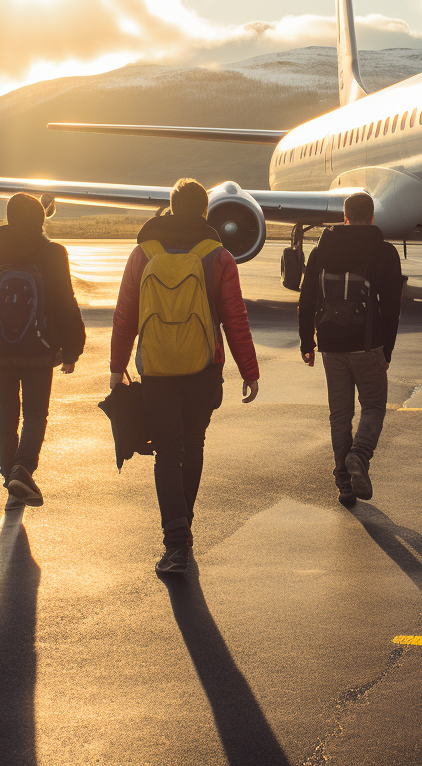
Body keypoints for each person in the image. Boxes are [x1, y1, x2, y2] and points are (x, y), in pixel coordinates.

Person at [110, 178, 259, 575]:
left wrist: (115, 367)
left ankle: (175, 541)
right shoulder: (219, 256)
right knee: (192, 447)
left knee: (166, 453)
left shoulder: (143, 253)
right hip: (203, 369)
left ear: (171, 208)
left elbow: (125, 315)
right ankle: (183, 529)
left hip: (157, 370)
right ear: (206, 211)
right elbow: (235, 318)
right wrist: (249, 370)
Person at [0, 192, 86, 507]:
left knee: (7, 413)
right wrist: (72, 348)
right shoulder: (53, 253)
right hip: (40, 349)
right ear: (40, 218)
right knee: (36, 413)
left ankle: (10, 474)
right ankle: (23, 468)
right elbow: (65, 302)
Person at [298, 191, 403, 507]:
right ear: (372, 217)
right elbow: (392, 306)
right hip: (368, 344)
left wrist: (307, 341)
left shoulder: (321, 248)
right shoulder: (384, 252)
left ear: (344, 217)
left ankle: (344, 484)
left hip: (330, 343)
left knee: (339, 414)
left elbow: (307, 298)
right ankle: (359, 455)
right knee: (373, 405)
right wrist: (387, 349)